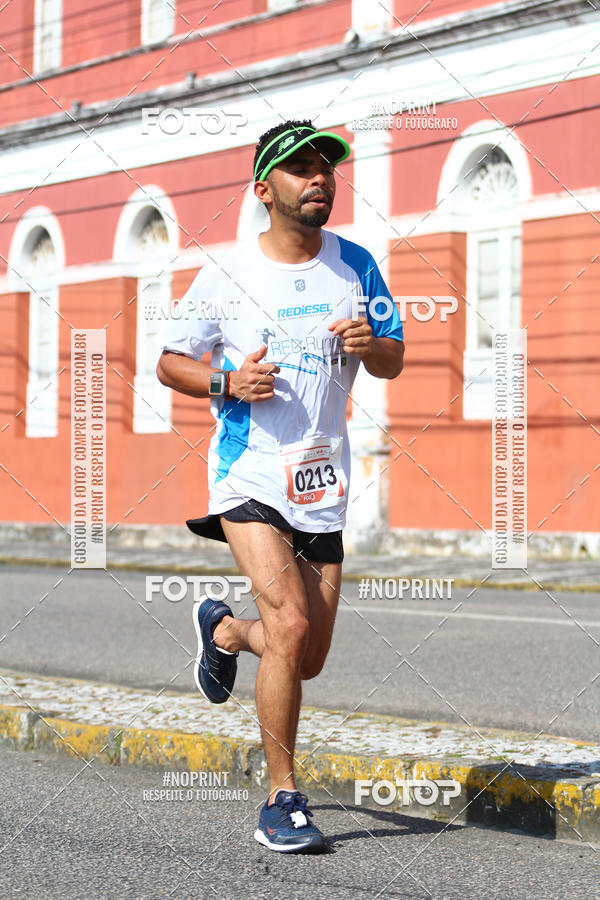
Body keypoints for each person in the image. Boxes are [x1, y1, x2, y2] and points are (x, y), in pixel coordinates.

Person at [156, 119, 404, 853]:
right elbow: (170, 363)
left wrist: (373, 345)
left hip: (323, 482)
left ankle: (225, 631)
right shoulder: (227, 276)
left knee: (308, 654)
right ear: (265, 189)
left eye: (326, 165)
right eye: (301, 167)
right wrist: (228, 378)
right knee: (291, 630)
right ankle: (282, 800)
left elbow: (392, 358)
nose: (320, 176)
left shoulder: (357, 264)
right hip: (249, 475)